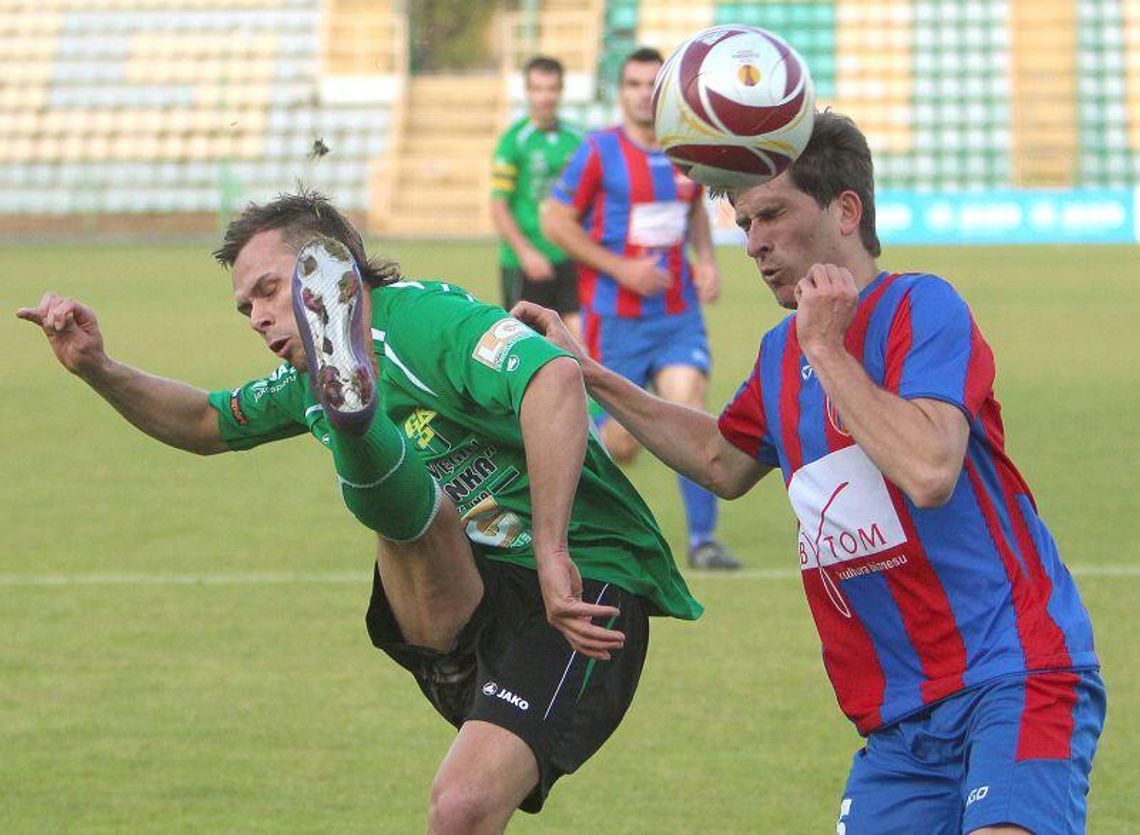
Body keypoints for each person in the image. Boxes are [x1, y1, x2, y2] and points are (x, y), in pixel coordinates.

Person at [17, 191, 702, 833]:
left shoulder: (423, 320)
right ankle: (358, 422)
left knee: (459, 806)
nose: (255, 316)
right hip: (474, 596)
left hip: (584, 581)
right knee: (419, 508)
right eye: (244, 306)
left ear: (330, 273)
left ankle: (359, 427)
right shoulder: (302, 378)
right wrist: (98, 368)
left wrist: (554, 552)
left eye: (266, 289)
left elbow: (553, 377)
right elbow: (204, 420)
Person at [517, 111, 1104, 834]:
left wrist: (826, 349)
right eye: (742, 222)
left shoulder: (921, 308)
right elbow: (719, 459)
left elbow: (928, 468)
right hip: (900, 721)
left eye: (772, 214)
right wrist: (591, 373)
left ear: (845, 210)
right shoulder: (777, 353)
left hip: (1013, 671)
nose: (754, 241)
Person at [543, 46, 741, 571]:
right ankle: (582, 526)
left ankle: (703, 540)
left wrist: (706, 261)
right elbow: (556, 222)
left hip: (677, 316)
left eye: (651, 84)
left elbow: (695, 210)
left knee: (690, 406)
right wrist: (619, 268)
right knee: (623, 443)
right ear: (621, 92)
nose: (641, 93)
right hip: (617, 319)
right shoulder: (598, 152)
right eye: (632, 83)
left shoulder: (685, 151)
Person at [491, 55, 584, 337]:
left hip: (570, 258)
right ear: (528, 91)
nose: (545, 97)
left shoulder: (577, 140)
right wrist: (526, 253)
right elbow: (498, 206)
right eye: (538, 89)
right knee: (527, 346)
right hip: (524, 263)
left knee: (579, 345)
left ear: (560, 90)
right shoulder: (514, 141)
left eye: (551, 89)